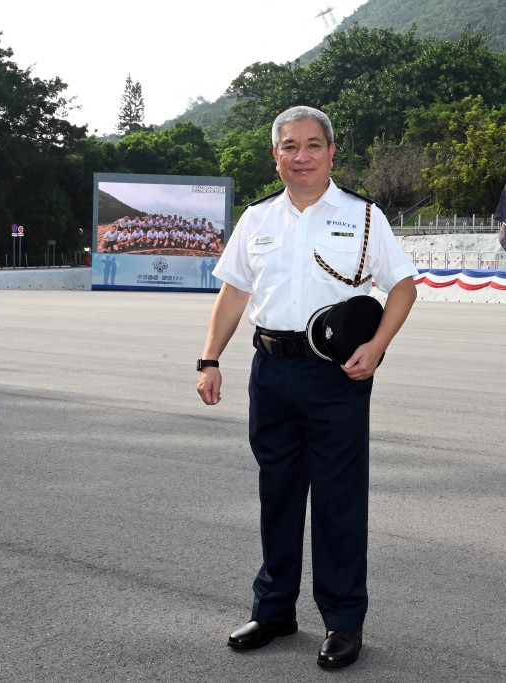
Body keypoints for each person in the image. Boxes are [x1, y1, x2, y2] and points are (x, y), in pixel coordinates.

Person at [196, 105, 417, 670]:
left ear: (331, 152)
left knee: (340, 503)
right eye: (290, 146)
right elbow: (234, 294)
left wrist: (379, 345)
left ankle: (343, 622)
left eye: (313, 145)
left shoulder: (364, 216)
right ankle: (273, 610)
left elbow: (403, 287)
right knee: (279, 494)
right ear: (276, 154)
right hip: (270, 372)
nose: (302, 157)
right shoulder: (257, 219)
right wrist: (210, 358)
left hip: (336, 376)